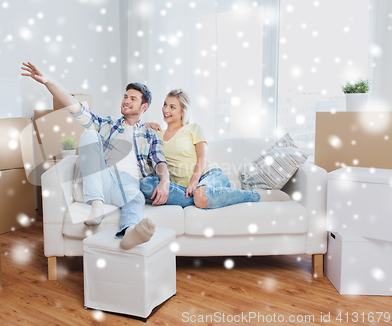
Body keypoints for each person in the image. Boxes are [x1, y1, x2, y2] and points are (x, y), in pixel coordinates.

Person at [21, 62, 170, 249]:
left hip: (129, 184)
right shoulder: (107, 125)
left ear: (144, 107)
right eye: (125, 96)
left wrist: (165, 180)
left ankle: (129, 233)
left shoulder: (150, 134)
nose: (126, 101)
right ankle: (96, 205)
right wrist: (48, 82)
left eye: (133, 99)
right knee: (89, 134)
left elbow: (160, 161)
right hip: (103, 178)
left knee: (137, 198)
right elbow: (75, 107)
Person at [141, 89, 288, 209]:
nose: (166, 110)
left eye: (172, 107)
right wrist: (145, 124)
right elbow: (132, 132)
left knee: (202, 196)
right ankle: (205, 198)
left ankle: (257, 195)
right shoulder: (157, 136)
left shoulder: (193, 128)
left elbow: (202, 158)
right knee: (145, 185)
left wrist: (194, 181)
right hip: (183, 190)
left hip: (208, 176)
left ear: (182, 111)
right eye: (165, 104)